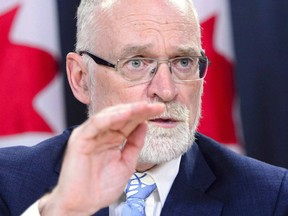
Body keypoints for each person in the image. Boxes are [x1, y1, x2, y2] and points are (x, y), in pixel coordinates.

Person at [0, 0, 287, 215]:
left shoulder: (271, 197)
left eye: (183, 62)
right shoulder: (8, 182)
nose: (166, 90)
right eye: (137, 63)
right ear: (81, 79)